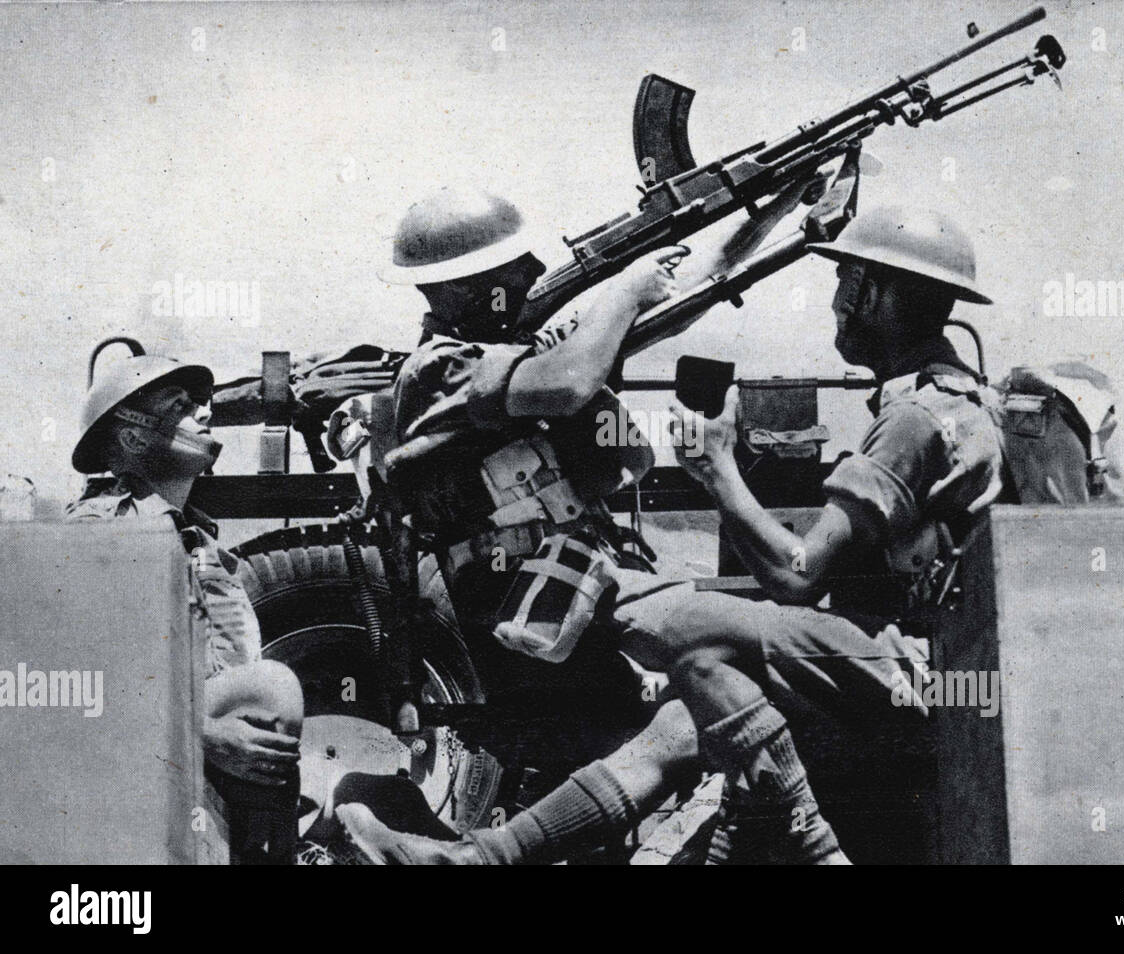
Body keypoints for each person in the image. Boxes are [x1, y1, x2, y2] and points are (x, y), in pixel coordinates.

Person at [336, 180, 855, 864]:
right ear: (457, 289)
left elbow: (682, 295)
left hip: (580, 593)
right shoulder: (440, 369)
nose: (533, 276)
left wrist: (784, 214)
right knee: (778, 643)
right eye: (513, 269)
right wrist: (624, 290)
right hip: (533, 601)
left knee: (693, 717)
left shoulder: (513, 349)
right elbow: (573, 381)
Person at [67, 348, 304, 863]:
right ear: (132, 437)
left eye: (201, 400)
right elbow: (61, 684)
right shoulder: (102, 531)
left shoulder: (202, 546)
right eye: (180, 404)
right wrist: (202, 733)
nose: (205, 411)